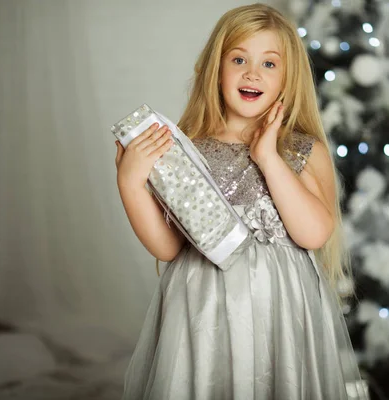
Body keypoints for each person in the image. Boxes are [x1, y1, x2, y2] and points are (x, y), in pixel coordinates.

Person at [114, 3, 367, 399]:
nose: (253, 72)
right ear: (217, 69)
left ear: (288, 79)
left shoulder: (300, 149)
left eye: (270, 64)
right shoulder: (187, 151)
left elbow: (314, 232)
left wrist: (268, 157)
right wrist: (131, 182)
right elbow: (168, 246)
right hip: (202, 311)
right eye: (239, 59)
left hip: (279, 313)